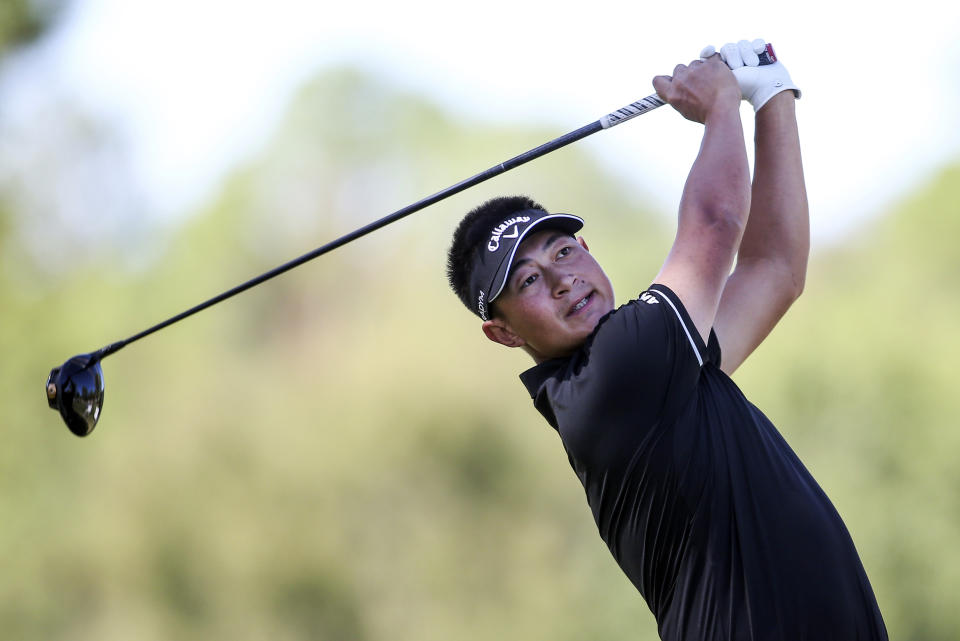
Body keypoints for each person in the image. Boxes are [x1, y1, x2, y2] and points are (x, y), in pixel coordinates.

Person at [445, 40, 888, 640]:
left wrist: (772, 96)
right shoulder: (611, 379)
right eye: (527, 280)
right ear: (501, 332)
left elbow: (775, 269)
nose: (562, 279)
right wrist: (721, 107)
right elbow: (714, 224)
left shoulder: (662, 371)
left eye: (564, 251)